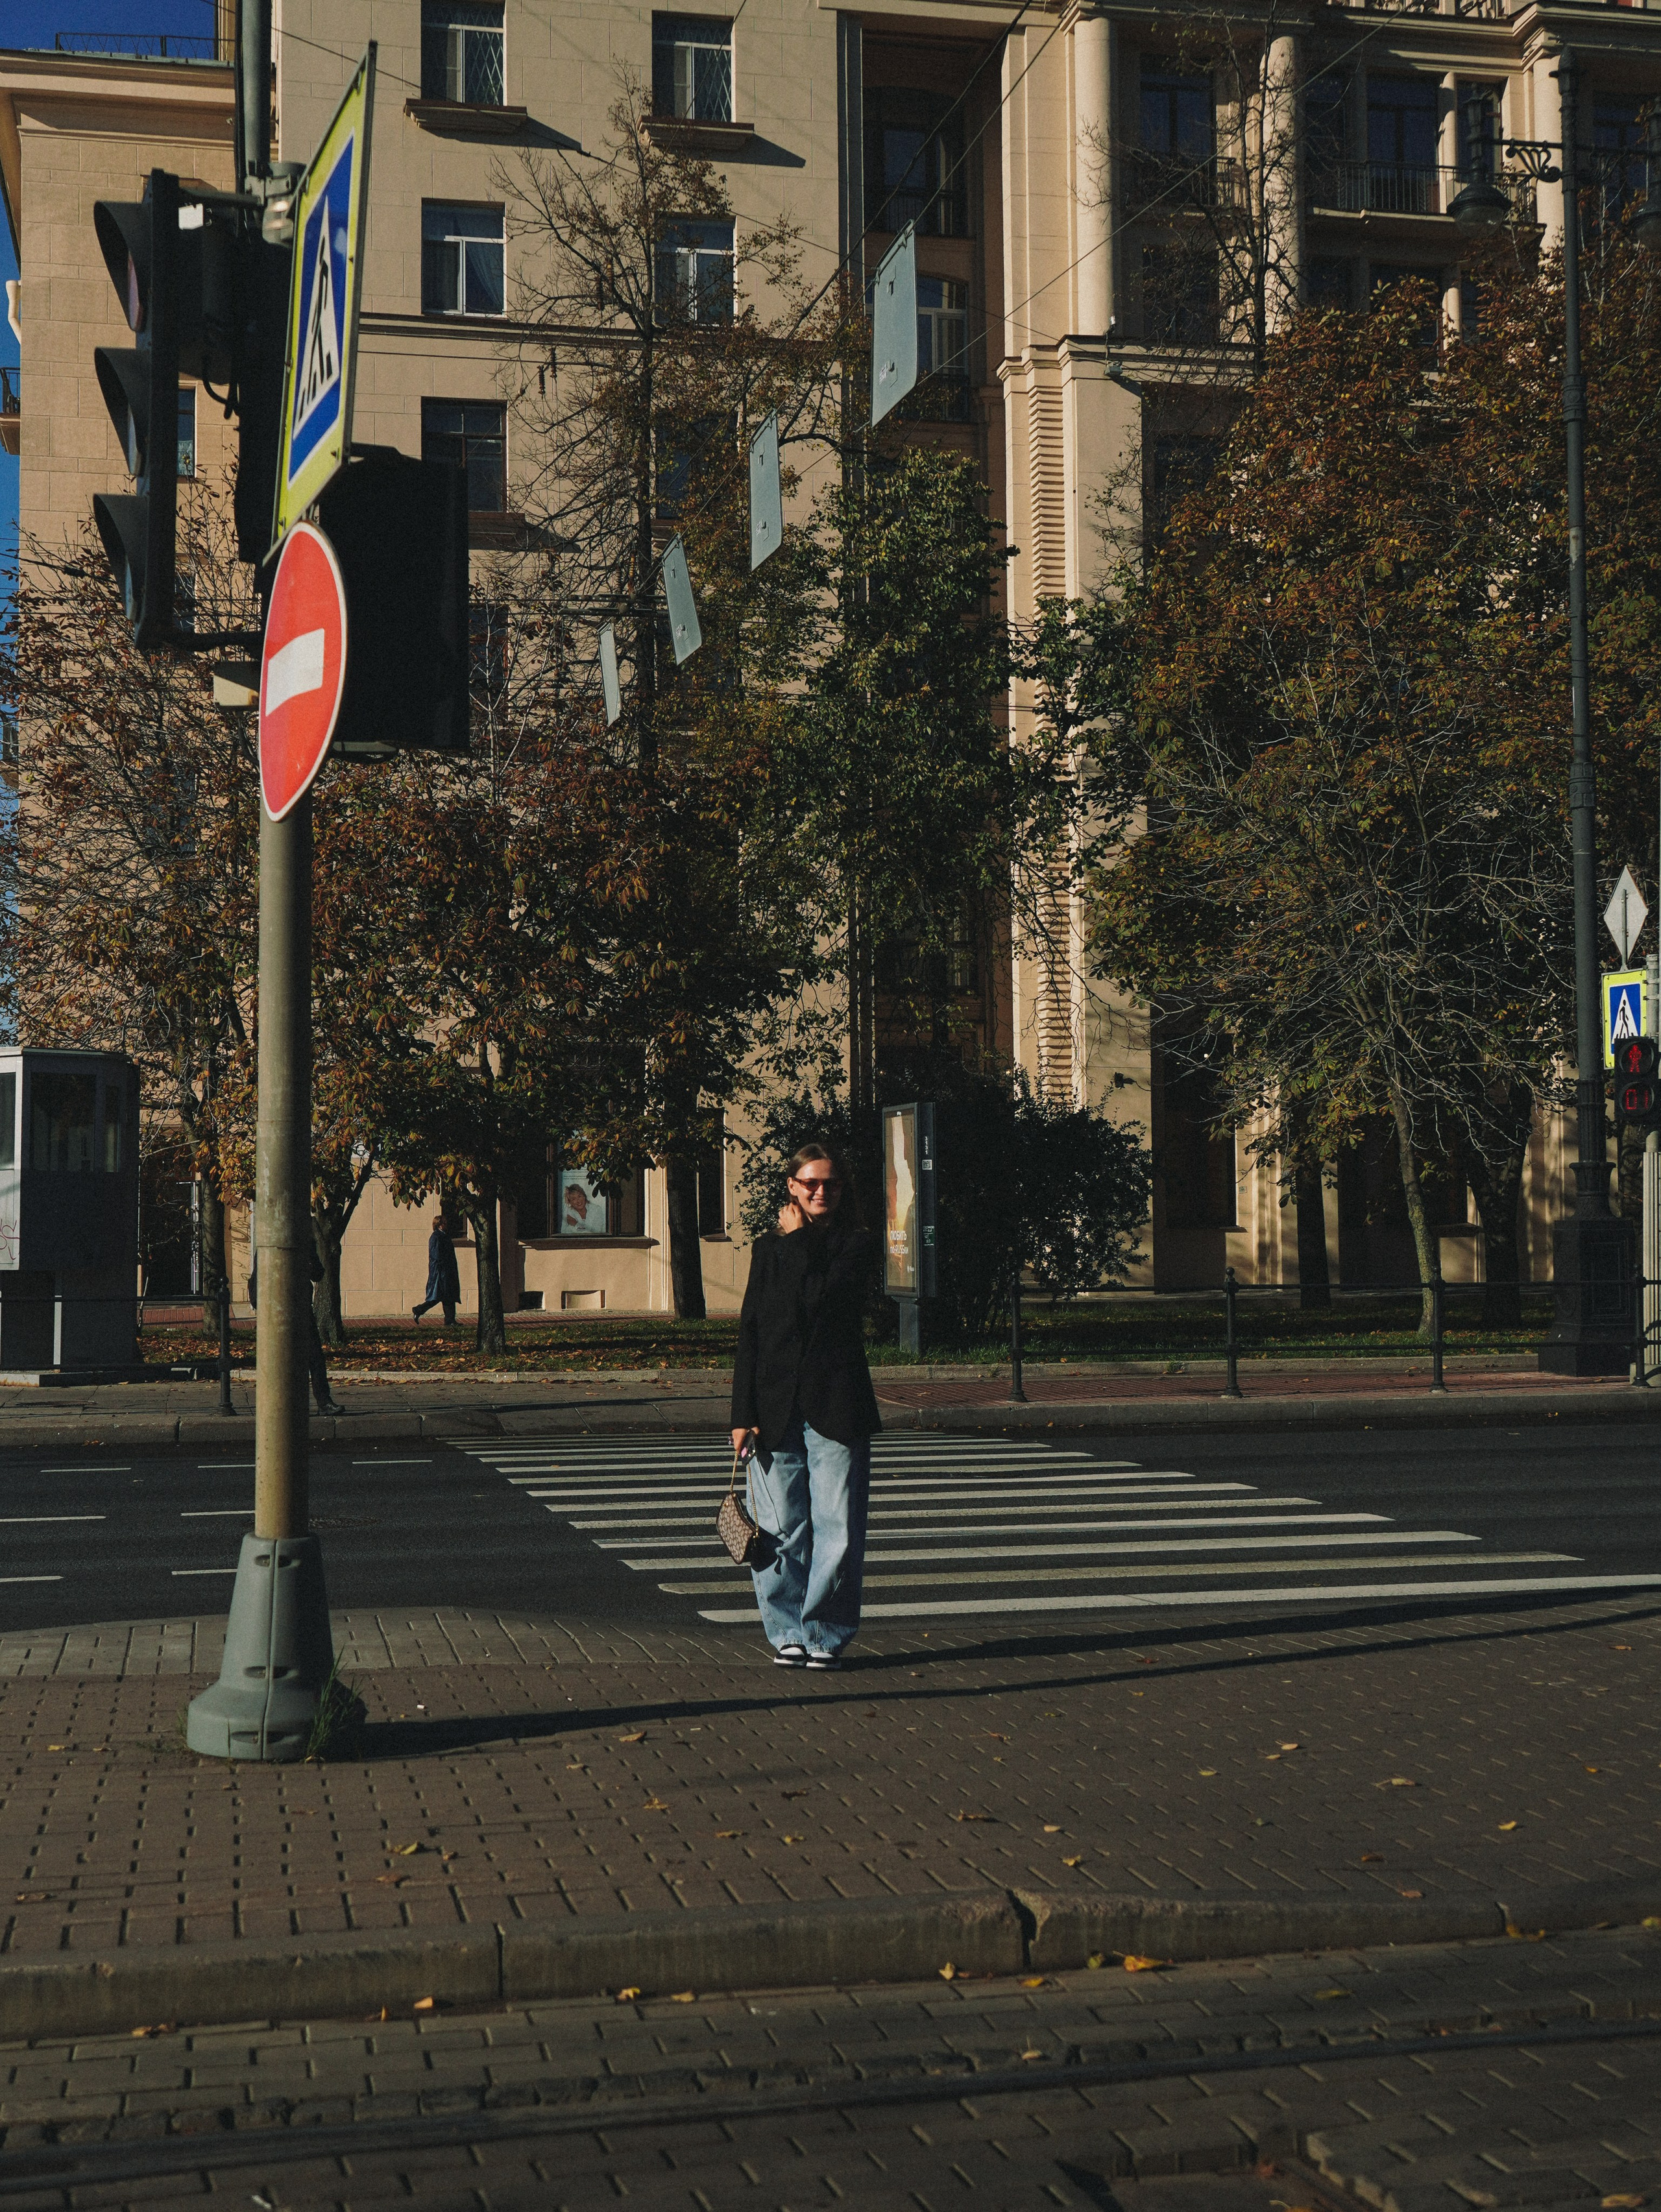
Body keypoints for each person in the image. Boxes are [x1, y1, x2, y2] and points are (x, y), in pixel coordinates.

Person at [731, 1141, 881, 1671]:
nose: (821, 1191)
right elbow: (752, 1331)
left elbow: (825, 1303)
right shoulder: (767, 1248)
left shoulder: (856, 1244)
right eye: (811, 1182)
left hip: (836, 1405)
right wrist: (741, 1414)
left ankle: (824, 1633)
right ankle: (787, 1631)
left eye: (831, 1183)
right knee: (780, 1528)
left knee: (838, 1528)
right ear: (792, 1187)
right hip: (774, 1405)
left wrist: (798, 1241)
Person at [247, 1245, 342, 1417]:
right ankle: (282, 1405)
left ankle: (324, 1401)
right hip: (277, 1308)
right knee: (281, 1358)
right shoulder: (270, 1243)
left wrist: (307, 1264)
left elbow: (318, 1273)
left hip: (301, 1307)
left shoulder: (305, 1241)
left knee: (315, 1356)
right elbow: (260, 1277)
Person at [412, 1215, 461, 1325]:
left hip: (447, 1271)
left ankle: (450, 1320)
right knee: (438, 1296)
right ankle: (418, 1310)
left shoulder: (444, 1236)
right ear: (439, 1225)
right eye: (444, 1223)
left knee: (448, 1295)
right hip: (441, 1272)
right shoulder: (436, 1237)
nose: (446, 1225)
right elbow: (436, 1255)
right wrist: (442, 1267)